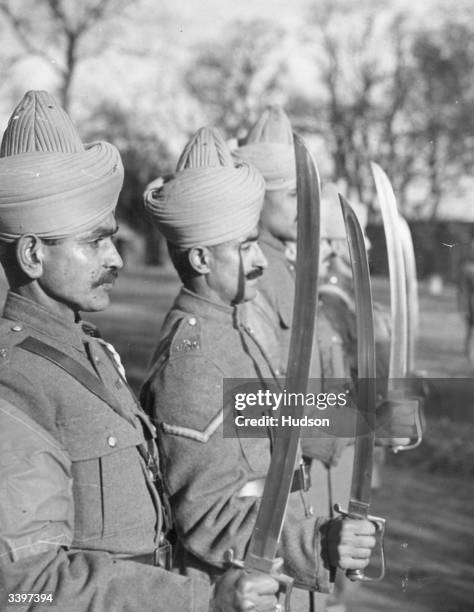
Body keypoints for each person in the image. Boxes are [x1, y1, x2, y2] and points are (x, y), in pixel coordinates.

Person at [0, 90, 280, 612]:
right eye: (95, 241)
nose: (116, 257)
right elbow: (22, 588)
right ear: (34, 254)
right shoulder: (17, 379)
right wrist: (197, 600)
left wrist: (361, 410)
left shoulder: (90, 354)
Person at [140, 126, 376, 611]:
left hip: (270, 570)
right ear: (202, 258)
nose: (260, 260)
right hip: (234, 585)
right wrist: (316, 544)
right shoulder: (195, 360)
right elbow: (207, 518)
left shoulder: (230, 328)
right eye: (245, 247)